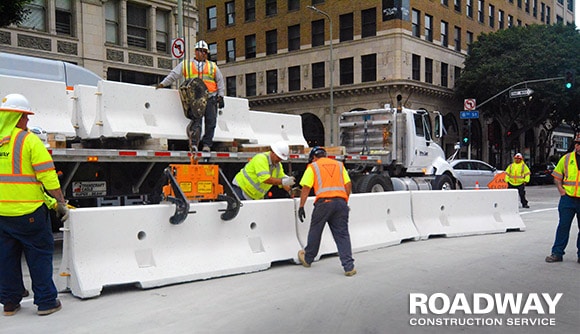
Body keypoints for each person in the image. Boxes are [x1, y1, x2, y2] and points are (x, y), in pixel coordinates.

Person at [0, 94, 69, 316]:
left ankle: (10, 303)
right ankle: (47, 302)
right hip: (29, 213)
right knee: (39, 255)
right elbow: (48, 176)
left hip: (2, 214)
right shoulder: (28, 141)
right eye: (25, 117)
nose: (27, 122)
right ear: (17, 117)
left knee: (6, 258)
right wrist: (60, 202)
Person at [297, 147, 356, 276]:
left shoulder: (313, 167)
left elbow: (306, 187)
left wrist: (301, 206)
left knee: (315, 231)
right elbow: (348, 184)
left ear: (313, 157)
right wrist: (344, 200)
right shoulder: (339, 165)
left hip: (323, 204)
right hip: (341, 203)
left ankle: (308, 258)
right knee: (342, 235)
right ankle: (349, 267)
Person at [157, 40, 225, 152]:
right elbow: (174, 75)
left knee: (211, 122)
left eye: (204, 52)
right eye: (200, 51)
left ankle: (207, 144)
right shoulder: (186, 65)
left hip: (210, 97)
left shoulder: (212, 66)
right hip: (195, 99)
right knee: (196, 121)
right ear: (196, 52)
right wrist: (163, 84)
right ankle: (194, 143)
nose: (203, 54)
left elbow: (220, 81)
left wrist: (220, 96)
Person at [545, 133, 580, 263]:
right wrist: (561, 190)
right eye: (577, 143)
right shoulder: (566, 159)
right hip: (568, 199)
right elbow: (557, 177)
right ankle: (557, 253)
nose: (578, 146)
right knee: (563, 226)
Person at [231, 141, 295, 200]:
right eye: (278, 157)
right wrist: (284, 181)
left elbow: (281, 179)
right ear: (273, 152)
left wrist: (290, 190)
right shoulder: (261, 159)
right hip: (241, 190)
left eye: (281, 159)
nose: (279, 160)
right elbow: (265, 179)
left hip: (254, 196)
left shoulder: (278, 166)